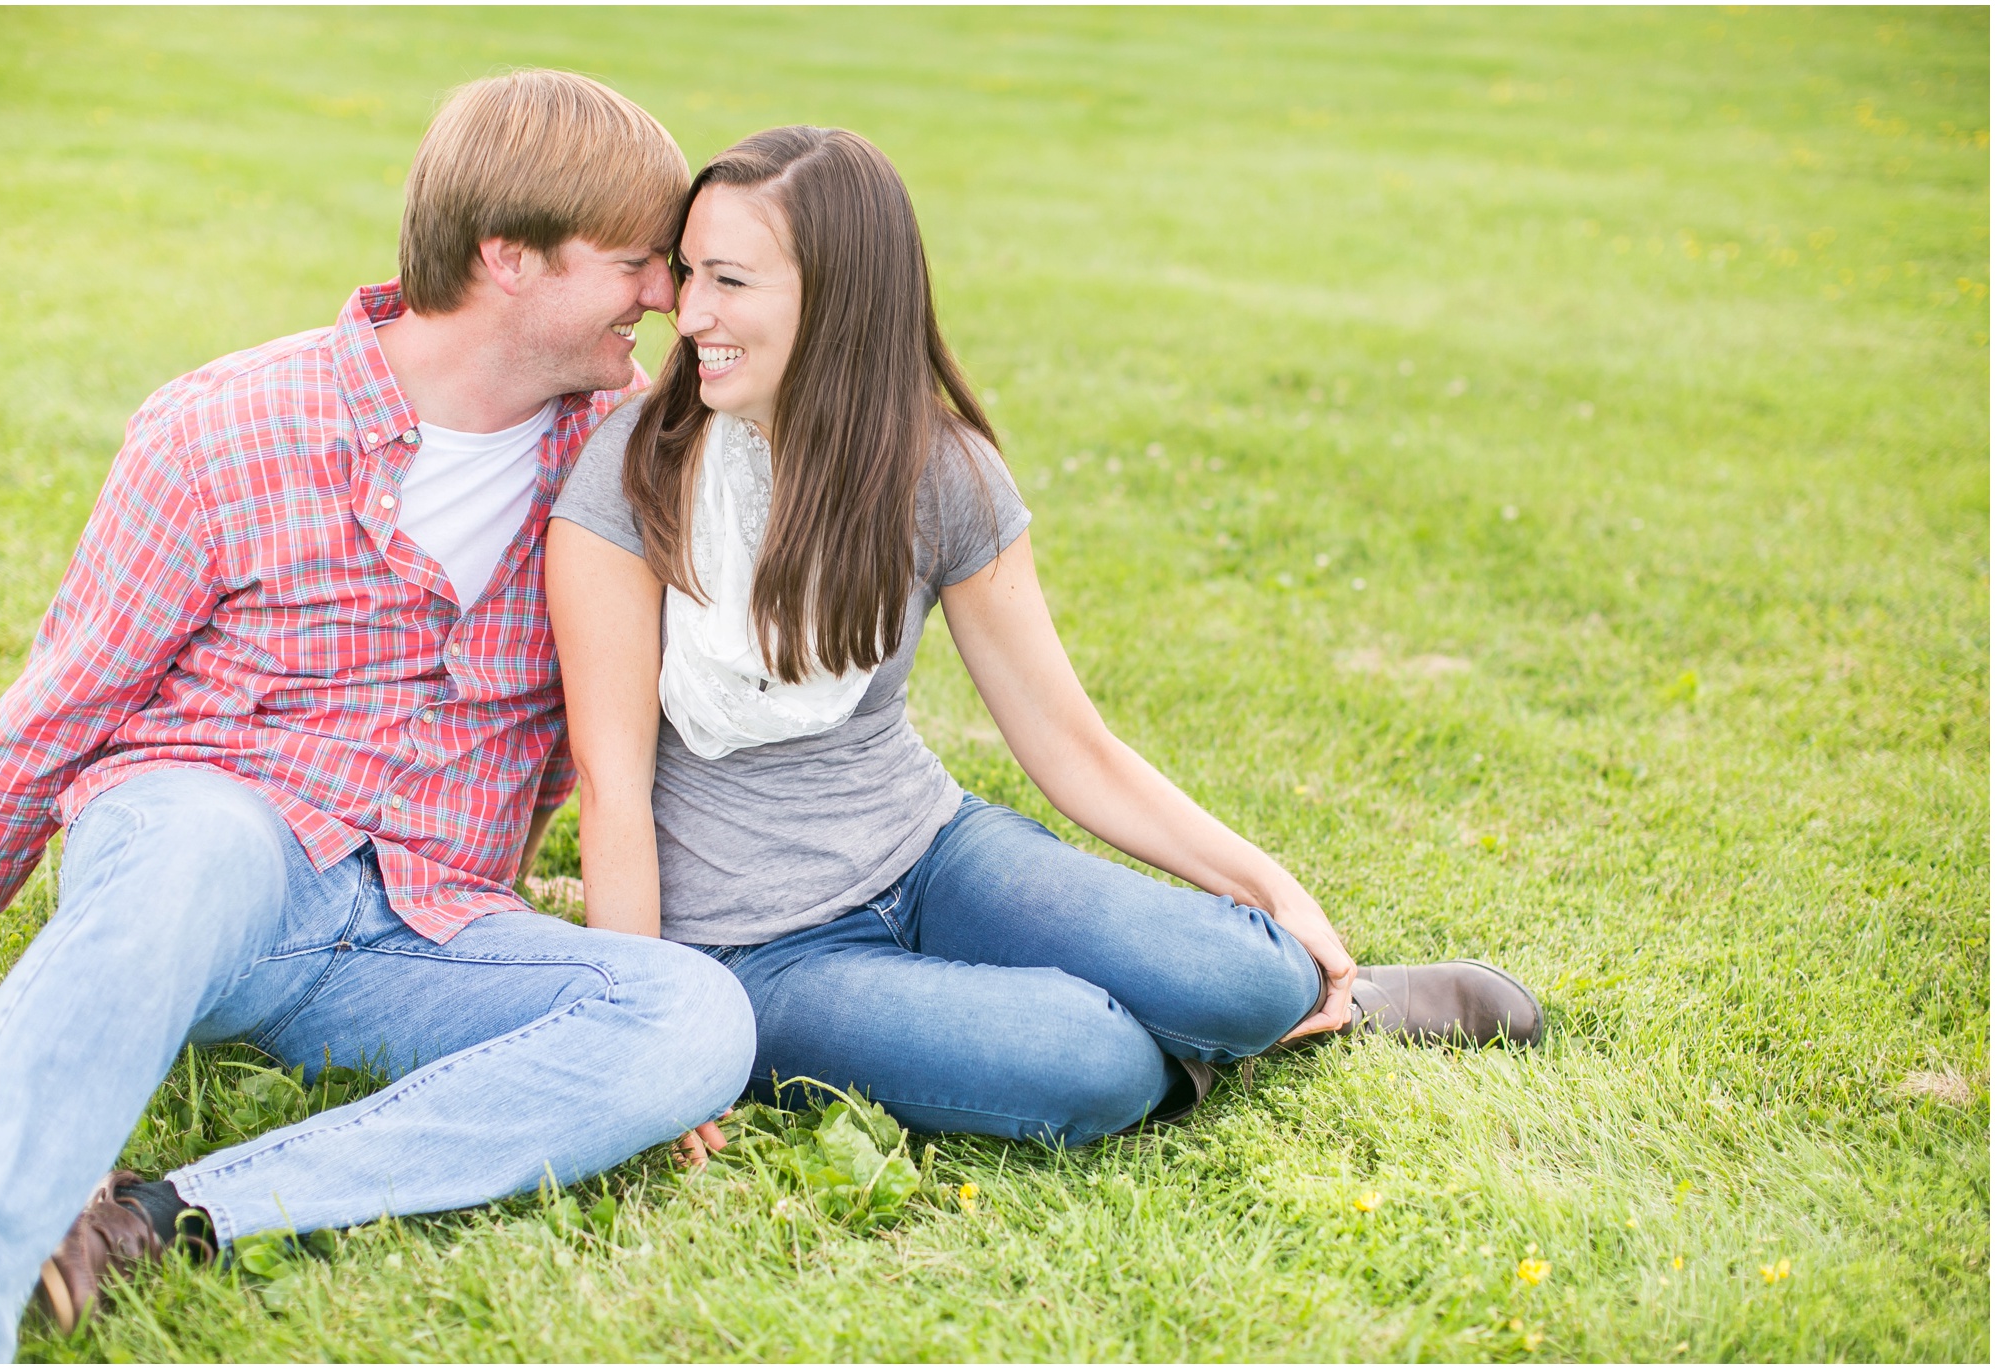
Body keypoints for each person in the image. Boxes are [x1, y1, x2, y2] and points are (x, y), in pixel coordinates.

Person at [0, 71, 755, 1363]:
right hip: (210, 857)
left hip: (417, 927)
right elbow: (66, 698)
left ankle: (166, 1216)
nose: (665, 295)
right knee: (202, 838)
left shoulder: (622, 461)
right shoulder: (223, 430)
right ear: (509, 259)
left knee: (691, 1017)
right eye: (637, 263)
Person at [547, 125, 1542, 1152]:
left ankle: (1281, 1005)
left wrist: (1272, 890)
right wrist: (654, 1048)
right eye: (688, 271)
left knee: (1249, 971)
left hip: (932, 854)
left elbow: (1069, 744)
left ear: (838, 298)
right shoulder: (630, 477)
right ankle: (1131, 1041)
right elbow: (609, 777)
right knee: (1089, 1063)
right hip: (759, 951)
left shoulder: (936, 470)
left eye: (729, 281)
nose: (688, 310)